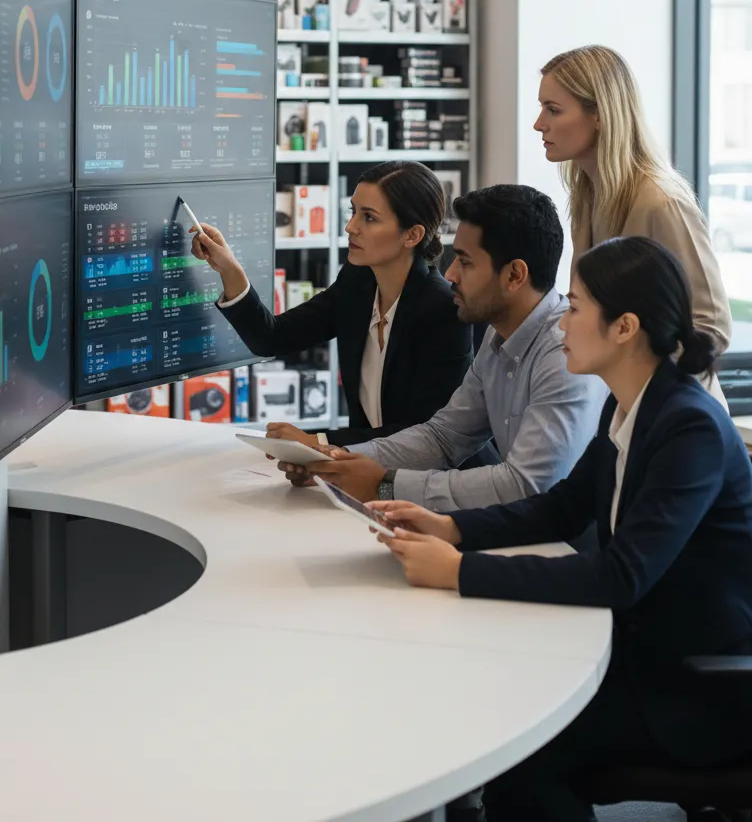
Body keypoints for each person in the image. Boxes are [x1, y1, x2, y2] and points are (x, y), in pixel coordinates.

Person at [370, 236, 752, 821]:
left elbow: (622, 576)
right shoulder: (626, 405)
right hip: (634, 649)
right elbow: (560, 509)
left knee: (520, 758)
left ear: (624, 327)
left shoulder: (690, 429)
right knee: (486, 708)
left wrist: (460, 572)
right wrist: (452, 529)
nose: (560, 324)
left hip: (692, 687)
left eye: (574, 308)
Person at [280, 184, 607, 509]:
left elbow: (528, 485)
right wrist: (337, 462)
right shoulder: (498, 338)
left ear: (514, 275)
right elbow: (443, 437)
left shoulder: (563, 353)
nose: (449, 274)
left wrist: (385, 485)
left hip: (571, 548)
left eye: (464, 262)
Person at [191, 160, 477, 445]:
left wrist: (319, 445)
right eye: (354, 211)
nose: (350, 226)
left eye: (369, 217)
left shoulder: (441, 310)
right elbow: (272, 338)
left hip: (441, 480)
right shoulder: (358, 283)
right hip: (373, 471)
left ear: (412, 235)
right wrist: (229, 268)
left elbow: (425, 436)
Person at [535, 43, 731, 402]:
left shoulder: (661, 202)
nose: (538, 124)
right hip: (624, 407)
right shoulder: (587, 195)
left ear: (599, 115)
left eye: (553, 109)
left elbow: (711, 326)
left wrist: (634, 372)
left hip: (676, 415)